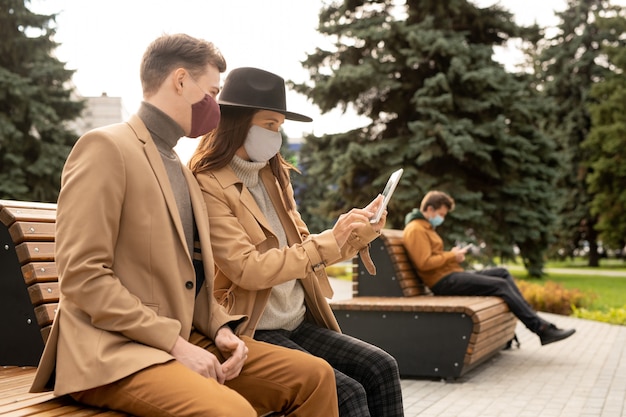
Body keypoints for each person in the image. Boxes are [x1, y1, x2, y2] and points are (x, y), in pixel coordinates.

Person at [29, 34, 339, 417]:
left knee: (315, 376)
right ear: (180, 81)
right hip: (114, 352)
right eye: (212, 91)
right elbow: (83, 277)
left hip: (181, 338)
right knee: (231, 412)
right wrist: (175, 346)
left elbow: (190, 282)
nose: (216, 105)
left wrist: (221, 329)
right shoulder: (106, 147)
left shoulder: (181, 167)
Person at [189, 67, 405, 417]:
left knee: (382, 367)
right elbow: (246, 268)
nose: (277, 135)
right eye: (269, 125)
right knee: (346, 393)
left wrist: (357, 229)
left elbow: (306, 248)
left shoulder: (275, 176)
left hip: (297, 320)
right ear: (237, 122)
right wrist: (328, 240)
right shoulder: (208, 183)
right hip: (255, 327)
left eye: (280, 125)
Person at [403, 190, 576, 346]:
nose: (442, 218)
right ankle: (542, 329)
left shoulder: (425, 228)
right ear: (430, 209)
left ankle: (536, 320)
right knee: (500, 285)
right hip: (442, 282)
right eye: (441, 214)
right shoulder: (415, 229)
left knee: (502, 273)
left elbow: (431, 257)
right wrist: (451, 256)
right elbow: (424, 263)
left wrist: (454, 256)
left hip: (450, 275)